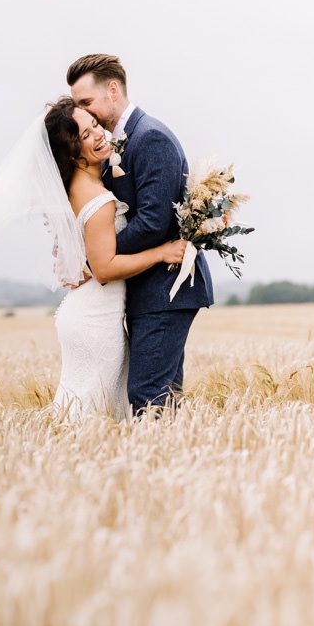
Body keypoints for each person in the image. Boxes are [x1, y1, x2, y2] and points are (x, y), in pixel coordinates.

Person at [66, 54, 214, 413]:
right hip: (147, 288)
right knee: (161, 400)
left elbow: (152, 222)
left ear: (113, 90)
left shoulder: (150, 139)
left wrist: (97, 260)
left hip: (165, 289)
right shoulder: (119, 143)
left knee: (148, 397)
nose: (84, 113)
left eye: (87, 102)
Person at [44, 98, 186, 421]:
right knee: (94, 414)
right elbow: (104, 268)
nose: (97, 134)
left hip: (86, 311)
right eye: (84, 136)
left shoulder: (79, 186)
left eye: (94, 125)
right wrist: (161, 252)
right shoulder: (97, 197)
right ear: (71, 153)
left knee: (80, 411)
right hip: (97, 319)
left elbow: (86, 257)